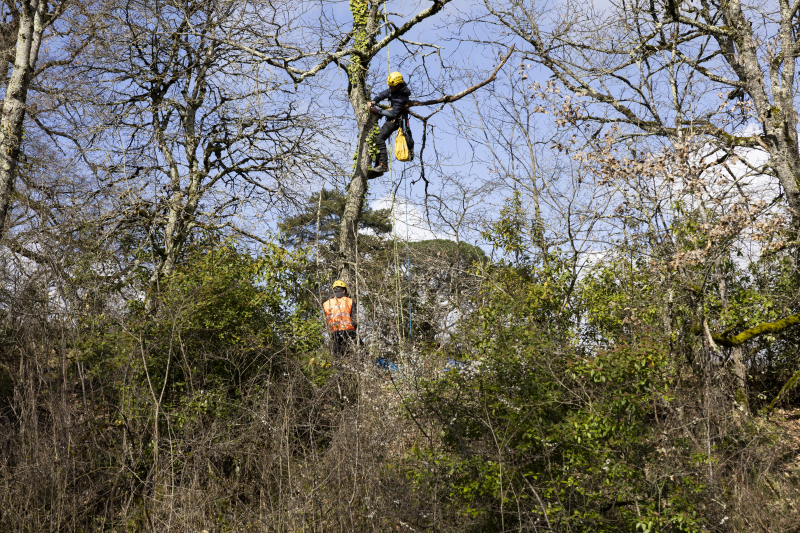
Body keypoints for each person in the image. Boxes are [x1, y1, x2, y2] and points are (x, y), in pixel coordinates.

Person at [367, 71, 411, 174]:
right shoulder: (393, 90)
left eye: (392, 86)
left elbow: (393, 113)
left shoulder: (402, 97)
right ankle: (379, 166)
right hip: (393, 118)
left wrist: (377, 111)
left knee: (379, 138)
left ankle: (383, 165)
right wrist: (374, 101)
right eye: (389, 86)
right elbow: (384, 93)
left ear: (398, 86)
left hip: (396, 120)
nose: (390, 88)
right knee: (377, 138)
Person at [323, 280, 357, 356]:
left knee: (338, 357)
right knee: (362, 353)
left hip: (334, 334)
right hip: (349, 333)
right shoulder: (349, 301)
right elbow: (355, 320)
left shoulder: (326, 304)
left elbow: (325, 321)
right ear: (344, 291)